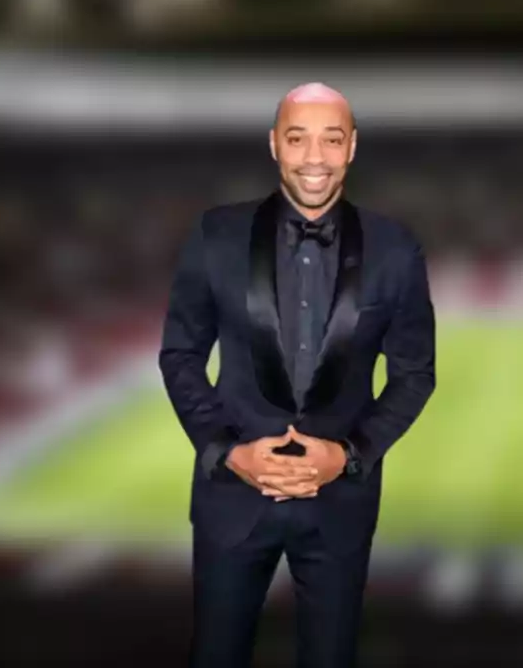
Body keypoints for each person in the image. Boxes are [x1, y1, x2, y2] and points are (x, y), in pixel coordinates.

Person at [158, 82, 436, 667]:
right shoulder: (216, 234)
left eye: (331, 139)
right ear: (273, 145)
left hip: (339, 506)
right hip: (232, 502)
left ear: (352, 146)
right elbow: (180, 355)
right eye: (298, 138)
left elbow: (415, 374)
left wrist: (350, 455)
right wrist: (229, 452)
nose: (315, 157)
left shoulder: (395, 248)